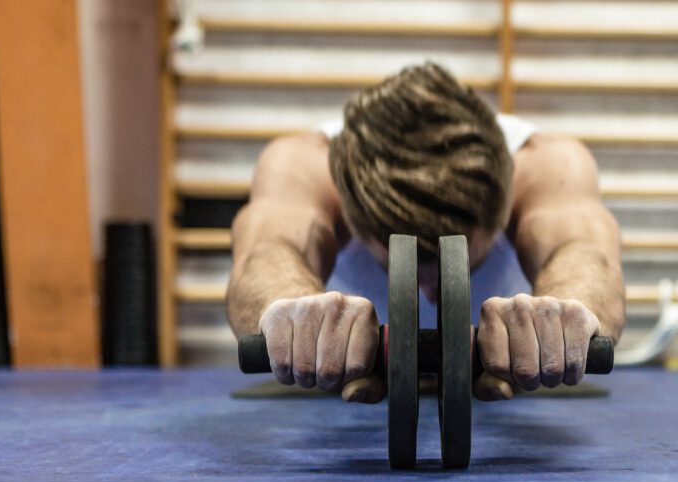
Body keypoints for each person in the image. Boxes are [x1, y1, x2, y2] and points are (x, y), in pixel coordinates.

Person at [226, 62, 624, 403]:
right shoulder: (305, 167)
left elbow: (584, 253)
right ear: (355, 219)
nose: (431, 293)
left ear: (501, 208)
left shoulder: (546, 166)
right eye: (412, 265)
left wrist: (567, 313)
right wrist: (293, 310)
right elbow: (266, 251)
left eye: (461, 259)